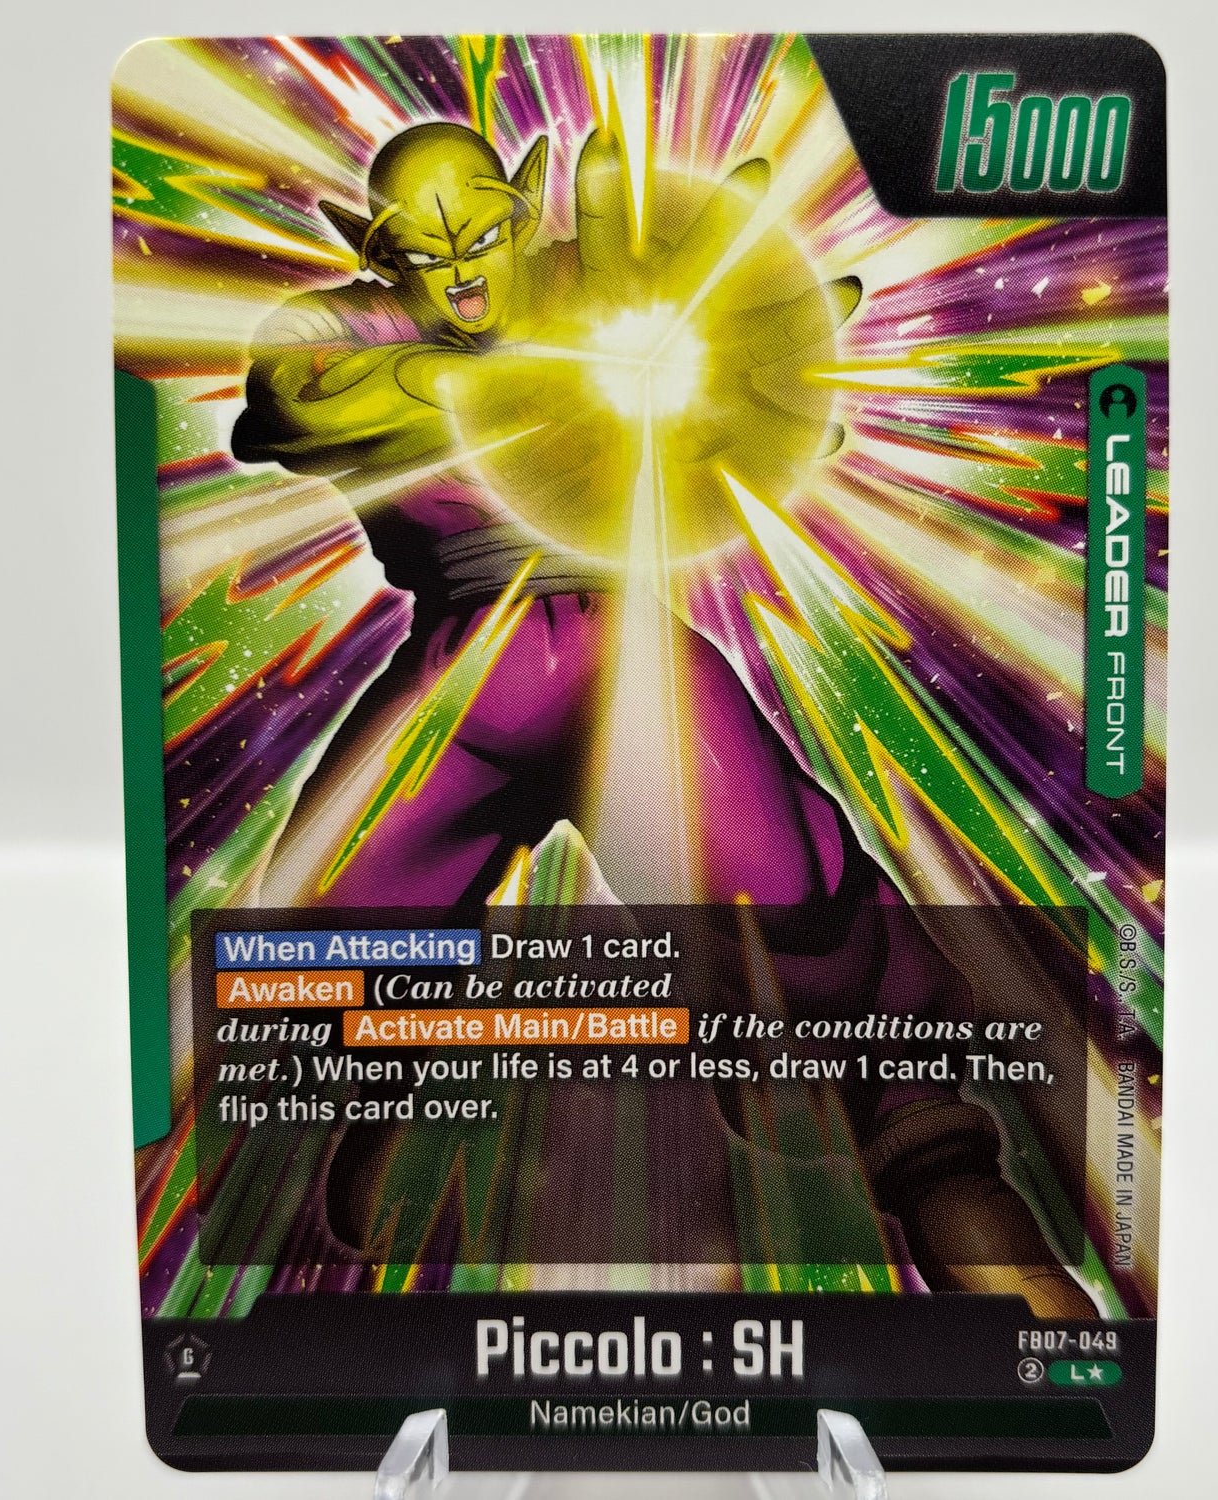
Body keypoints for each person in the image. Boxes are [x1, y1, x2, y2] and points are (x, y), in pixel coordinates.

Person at [232, 120, 1095, 1318]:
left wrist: (746, 375)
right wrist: (518, 379)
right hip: (465, 670)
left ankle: (982, 1232)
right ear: (378, 255)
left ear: (522, 206)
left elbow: (739, 392)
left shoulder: (600, 289)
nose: (463, 267)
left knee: (805, 929)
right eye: (426, 251)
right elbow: (295, 404)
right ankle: (404, 1069)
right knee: (309, 948)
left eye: (481, 230)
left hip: (619, 654)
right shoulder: (345, 329)